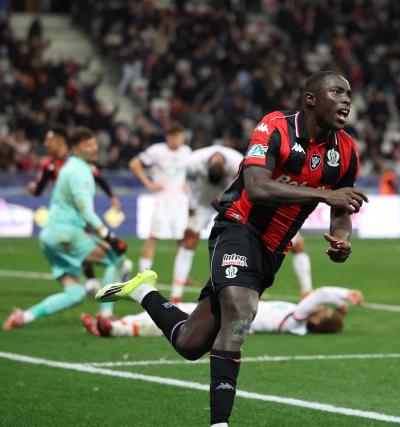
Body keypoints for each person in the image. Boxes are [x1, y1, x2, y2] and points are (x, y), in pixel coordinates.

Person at [96, 71, 367, 427]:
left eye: (349, 93)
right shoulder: (275, 127)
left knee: (190, 344)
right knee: (241, 310)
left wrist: (341, 237)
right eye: (337, 91)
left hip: (273, 250)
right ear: (311, 99)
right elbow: (256, 187)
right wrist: (323, 194)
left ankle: (143, 291)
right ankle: (220, 423)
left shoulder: (345, 150)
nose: (346, 99)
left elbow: (342, 205)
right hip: (238, 227)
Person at [4, 127, 128, 330]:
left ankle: (23, 317)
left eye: (95, 143)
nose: (95, 148)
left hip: (49, 237)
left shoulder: (70, 167)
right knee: (115, 258)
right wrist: (110, 237)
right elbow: (86, 212)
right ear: (76, 148)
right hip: (66, 233)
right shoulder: (79, 171)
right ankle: (106, 317)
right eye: (89, 145)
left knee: (75, 294)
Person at [27, 126, 122, 299]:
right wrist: (33, 190)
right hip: (68, 214)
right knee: (99, 250)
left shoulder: (78, 162)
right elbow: (39, 188)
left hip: (79, 210)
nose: (46, 144)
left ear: (61, 141)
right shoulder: (49, 165)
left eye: (50, 140)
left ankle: (96, 280)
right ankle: (101, 282)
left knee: (89, 246)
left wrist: (111, 196)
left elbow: (98, 178)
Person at [83, 286, 362, 337]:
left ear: (318, 321)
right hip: (231, 308)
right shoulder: (295, 316)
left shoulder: (295, 321)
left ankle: (116, 329)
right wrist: (338, 310)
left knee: (179, 323)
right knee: (178, 313)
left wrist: (342, 297)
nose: (322, 310)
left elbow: (321, 293)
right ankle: (112, 324)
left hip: (229, 317)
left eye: (325, 313)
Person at [170, 144, 243, 303]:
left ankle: (248, 290)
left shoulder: (239, 162)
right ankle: (176, 295)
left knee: (242, 243)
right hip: (203, 202)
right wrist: (191, 215)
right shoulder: (192, 162)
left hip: (229, 202)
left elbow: (246, 188)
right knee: (189, 241)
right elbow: (189, 190)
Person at [129, 122, 192, 272]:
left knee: (183, 239)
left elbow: (192, 170)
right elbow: (134, 164)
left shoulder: (186, 151)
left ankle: (180, 275)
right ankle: (143, 275)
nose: (181, 141)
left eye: (182, 137)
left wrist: (188, 182)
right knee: (153, 237)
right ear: (169, 137)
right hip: (162, 201)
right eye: (178, 137)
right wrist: (148, 183)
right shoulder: (157, 151)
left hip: (181, 201)